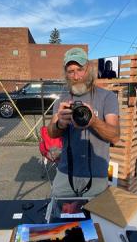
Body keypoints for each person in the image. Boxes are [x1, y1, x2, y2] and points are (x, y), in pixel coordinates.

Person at [48, 48, 120, 198]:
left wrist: (93, 121)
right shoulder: (62, 99)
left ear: (89, 68)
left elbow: (115, 137)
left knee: (95, 219)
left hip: (97, 175)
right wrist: (60, 123)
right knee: (59, 214)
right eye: (70, 71)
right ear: (65, 74)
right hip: (65, 172)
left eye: (80, 69)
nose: (76, 76)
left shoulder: (107, 97)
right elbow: (51, 133)